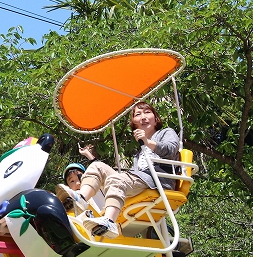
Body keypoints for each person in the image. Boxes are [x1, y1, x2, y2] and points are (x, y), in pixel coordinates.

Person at [56, 101, 180, 239]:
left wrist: (147, 142)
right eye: (138, 114)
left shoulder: (166, 133)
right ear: (134, 123)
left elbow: (171, 149)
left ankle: (109, 222)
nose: (143, 117)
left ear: (156, 118)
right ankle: (81, 198)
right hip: (143, 180)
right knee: (97, 166)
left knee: (116, 179)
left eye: (147, 112)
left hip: (158, 181)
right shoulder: (140, 151)